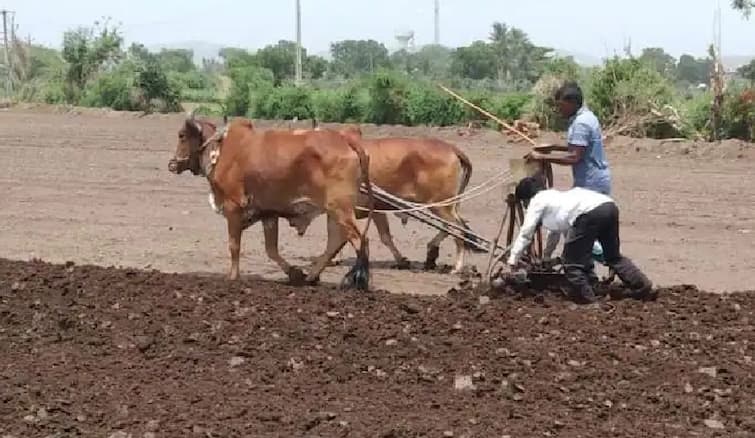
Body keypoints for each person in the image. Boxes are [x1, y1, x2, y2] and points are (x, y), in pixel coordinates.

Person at [507, 176, 654, 305]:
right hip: (609, 207)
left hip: (588, 214)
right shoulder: (556, 198)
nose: (526, 208)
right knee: (613, 257)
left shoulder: (537, 201)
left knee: (572, 264)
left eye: (524, 204)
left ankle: (590, 302)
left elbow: (526, 233)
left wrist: (513, 260)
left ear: (527, 199)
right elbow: (555, 232)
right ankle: (642, 286)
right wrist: (546, 256)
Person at [525, 81, 611, 264]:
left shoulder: (580, 123)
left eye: (561, 106)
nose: (559, 110)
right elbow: (578, 147)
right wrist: (552, 147)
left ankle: (611, 259)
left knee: (574, 229)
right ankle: (548, 258)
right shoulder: (588, 116)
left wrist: (541, 158)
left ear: (572, 103)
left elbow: (574, 157)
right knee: (567, 223)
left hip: (590, 184)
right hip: (595, 180)